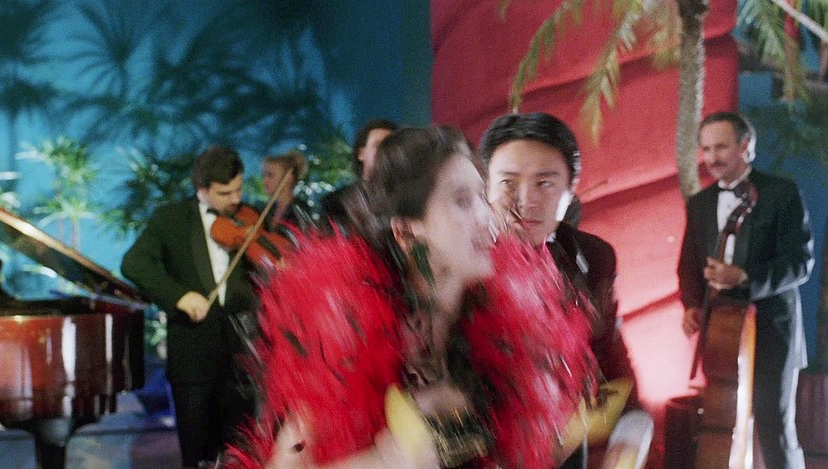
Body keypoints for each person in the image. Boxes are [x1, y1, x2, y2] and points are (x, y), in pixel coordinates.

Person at [225, 126, 595, 469]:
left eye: (483, 196)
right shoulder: (347, 336)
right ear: (406, 232)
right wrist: (381, 462)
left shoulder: (503, 326)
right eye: (462, 201)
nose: (487, 218)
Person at [479, 112, 638, 468]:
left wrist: (630, 428)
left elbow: (608, 353)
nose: (525, 200)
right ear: (485, 187)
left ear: (571, 191)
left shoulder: (592, 256)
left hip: (565, 448)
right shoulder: (461, 260)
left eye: (545, 184)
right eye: (508, 183)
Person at [679, 111, 814, 469]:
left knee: (774, 425)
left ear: (745, 146)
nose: (712, 157)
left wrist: (744, 278)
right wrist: (691, 305)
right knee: (723, 421)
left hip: (772, 328)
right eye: (707, 149)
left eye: (721, 147)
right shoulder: (700, 203)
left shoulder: (782, 193)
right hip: (722, 332)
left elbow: (800, 263)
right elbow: (688, 265)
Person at [121, 145, 257, 468]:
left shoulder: (251, 219)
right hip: (193, 360)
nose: (236, 199)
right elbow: (134, 264)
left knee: (243, 453)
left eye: (239, 189)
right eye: (225, 193)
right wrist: (179, 296)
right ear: (202, 189)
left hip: (241, 359)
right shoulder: (171, 219)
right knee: (196, 455)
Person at [320, 119, 398, 231]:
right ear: (361, 153)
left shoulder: (408, 200)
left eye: (390, 146)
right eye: (378, 145)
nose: (384, 151)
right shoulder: (335, 203)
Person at [260, 149, 310, 229]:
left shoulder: (301, 211)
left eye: (270, 175)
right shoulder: (267, 208)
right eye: (263, 175)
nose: (264, 180)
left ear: (289, 178)